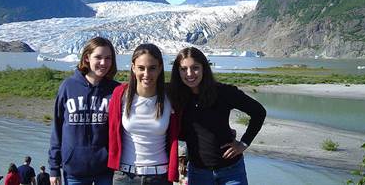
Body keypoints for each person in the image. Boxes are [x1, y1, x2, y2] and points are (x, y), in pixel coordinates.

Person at [169, 47, 266, 185]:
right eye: (183, 69)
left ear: (204, 68)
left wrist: (243, 143)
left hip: (231, 171)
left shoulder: (223, 92)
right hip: (198, 172)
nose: (189, 74)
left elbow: (259, 112)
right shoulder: (175, 96)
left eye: (195, 68)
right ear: (177, 71)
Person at [49, 36, 120, 185]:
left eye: (108, 58)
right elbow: (57, 129)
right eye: (98, 57)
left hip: (106, 171)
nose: (103, 63)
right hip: (75, 171)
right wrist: (54, 168)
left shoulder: (116, 90)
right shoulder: (68, 87)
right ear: (87, 58)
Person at [108, 43, 179, 184]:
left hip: (159, 177)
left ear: (160, 68)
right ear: (133, 67)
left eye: (152, 68)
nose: (146, 74)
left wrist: (233, 140)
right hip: (124, 176)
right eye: (141, 68)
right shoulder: (120, 95)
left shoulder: (170, 97)